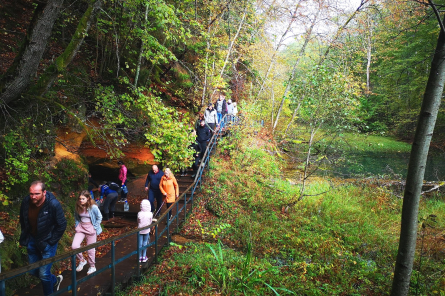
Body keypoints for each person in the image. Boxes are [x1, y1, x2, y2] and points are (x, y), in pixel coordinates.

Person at [19, 181, 67, 295]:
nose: (33, 197)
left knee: (44, 274)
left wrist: (51, 241)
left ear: (44, 192)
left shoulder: (53, 204)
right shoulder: (26, 201)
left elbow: (62, 224)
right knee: (33, 270)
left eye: (37, 193)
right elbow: (23, 220)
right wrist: (25, 236)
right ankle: (55, 280)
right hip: (32, 239)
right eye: (31, 194)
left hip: (47, 241)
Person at [72, 190, 102, 275]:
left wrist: (95, 227)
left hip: (91, 228)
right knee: (74, 246)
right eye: (80, 199)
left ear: (88, 198)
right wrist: (77, 225)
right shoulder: (78, 206)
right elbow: (76, 217)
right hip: (81, 227)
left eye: (83, 199)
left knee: (90, 249)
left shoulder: (93, 207)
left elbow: (99, 217)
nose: (81, 200)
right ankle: (82, 260)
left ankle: (92, 266)